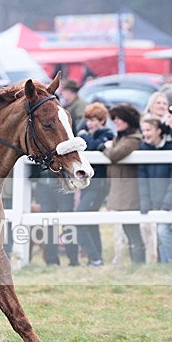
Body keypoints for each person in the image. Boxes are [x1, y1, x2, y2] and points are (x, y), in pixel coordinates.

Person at [103, 104, 146, 263]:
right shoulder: (121, 138)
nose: (116, 122)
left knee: (132, 229)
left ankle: (138, 261)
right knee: (129, 228)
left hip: (129, 189)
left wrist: (104, 148)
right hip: (121, 188)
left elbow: (115, 154)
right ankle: (136, 261)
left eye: (119, 119)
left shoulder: (133, 139)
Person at [138, 115, 172, 263]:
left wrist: (168, 201)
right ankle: (166, 264)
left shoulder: (171, 148)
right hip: (154, 200)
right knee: (159, 233)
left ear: (158, 131)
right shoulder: (143, 149)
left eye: (149, 130)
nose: (145, 134)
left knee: (163, 231)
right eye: (143, 130)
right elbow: (143, 179)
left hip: (169, 201)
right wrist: (145, 201)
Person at [75, 102, 113, 266]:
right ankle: (96, 258)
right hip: (88, 183)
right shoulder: (91, 134)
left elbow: (90, 146)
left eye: (94, 120)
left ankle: (95, 257)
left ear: (102, 120)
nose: (90, 123)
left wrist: (86, 137)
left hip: (98, 185)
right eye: (88, 120)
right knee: (90, 221)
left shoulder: (108, 134)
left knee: (80, 218)